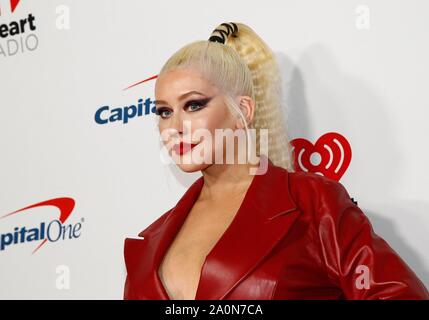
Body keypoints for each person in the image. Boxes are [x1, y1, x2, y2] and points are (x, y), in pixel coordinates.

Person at [123, 22, 429, 300]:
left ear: (242, 109)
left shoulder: (314, 205)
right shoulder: (154, 238)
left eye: (193, 105)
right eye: (164, 111)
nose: (175, 126)